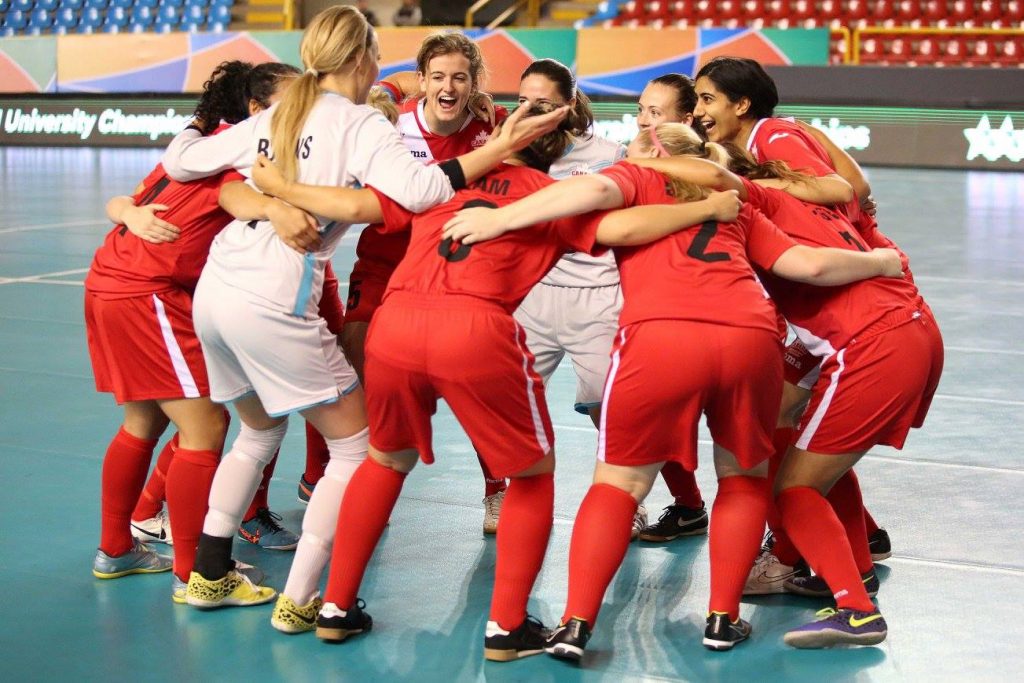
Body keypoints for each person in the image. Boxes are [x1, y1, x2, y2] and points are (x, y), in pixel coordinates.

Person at [250, 105, 743, 659]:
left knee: (384, 460)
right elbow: (622, 227)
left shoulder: (442, 176)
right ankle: (507, 626)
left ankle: (336, 606)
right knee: (532, 476)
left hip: (396, 322)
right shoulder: (548, 193)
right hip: (474, 326)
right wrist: (709, 207)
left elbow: (356, 203)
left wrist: (276, 187)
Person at [158, 5, 568, 628]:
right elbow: (425, 192)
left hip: (218, 287)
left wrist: (222, 147)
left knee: (259, 431)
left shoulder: (278, 114)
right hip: (272, 296)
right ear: (361, 59)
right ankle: (301, 600)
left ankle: (209, 576)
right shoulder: (359, 125)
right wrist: (502, 149)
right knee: (357, 449)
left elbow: (182, 162)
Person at [692, 57, 944, 646]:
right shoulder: (783, 179)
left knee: (796, 485)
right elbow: (851, 195)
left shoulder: (770, 151)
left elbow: (843, 191)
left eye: (706, 100)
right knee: (784, 419)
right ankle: (843, 556)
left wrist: (744, 186)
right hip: (897, 322)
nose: (700, 112)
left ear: (741, 106)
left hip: (874, 338)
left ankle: (851, 603)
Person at [85, 60, 306, 597]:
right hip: (148, 295)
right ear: (255, 110)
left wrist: (130, 215)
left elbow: (126, 200)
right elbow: (240, 198)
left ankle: (116, 549)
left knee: (144, 421)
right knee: (206, 426)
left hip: (111, 283)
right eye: (292, 101)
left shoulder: (200, 150)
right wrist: (281, 208)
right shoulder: (237, 157)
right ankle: (198, 573)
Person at [337, 32, 512, 532]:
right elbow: (381, 89)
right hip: (385, 264)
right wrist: (386, 94)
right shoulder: (390, 123)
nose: (448, 86)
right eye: (438, 77)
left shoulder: (489, 127)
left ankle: (496, 488)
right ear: (422, 81)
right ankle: (339, 477)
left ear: (475, 82)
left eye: (460, 77)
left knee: (474, 379)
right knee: (354, 368)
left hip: (453, 270)